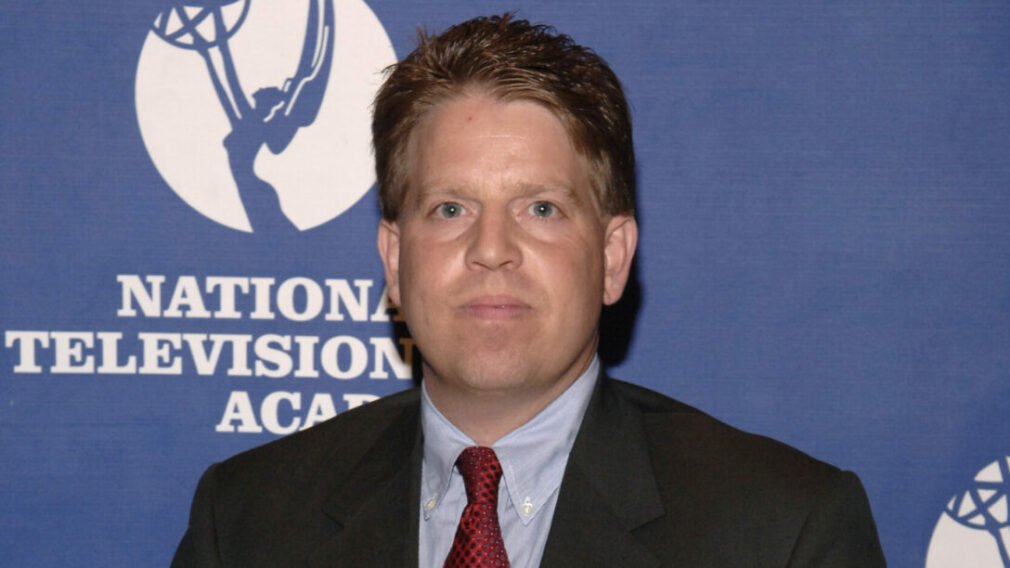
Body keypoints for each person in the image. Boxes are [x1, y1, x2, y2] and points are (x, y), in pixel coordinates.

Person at [172, 14, 885, 567]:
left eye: (540, 209)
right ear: (394, 259)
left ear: (611, 258)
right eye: (450, 209)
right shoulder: (245, 523)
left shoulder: (784, 532)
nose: (491, 250)